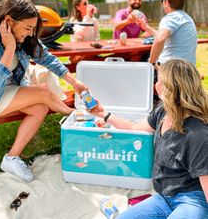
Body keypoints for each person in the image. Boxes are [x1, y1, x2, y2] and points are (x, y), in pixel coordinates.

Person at [0, 0, 88, 182]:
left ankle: (11, 158)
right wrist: (9, 48)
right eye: (27, 28)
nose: (29, 33)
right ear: (8, 21)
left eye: (32, 29)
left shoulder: (22, 35)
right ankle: (74, 115)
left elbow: (46, 57)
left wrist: (74, 82)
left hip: (7, 91)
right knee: (43, 92)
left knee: (40, 108)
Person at [89, 59, 208, 218]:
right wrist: (104, 115)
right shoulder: (163, 112)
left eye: (158, 80)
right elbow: (133, 127)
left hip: (192, 200)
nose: (155, 85)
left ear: (169, 88)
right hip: (163, 197)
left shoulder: (197, 134)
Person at [137, 0, 197, 66]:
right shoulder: (187, 18)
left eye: (162, 1)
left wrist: (151, 63)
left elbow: (160, 39)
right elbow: (163, 35)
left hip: (172, 69)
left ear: (167, 2)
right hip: (188, 67)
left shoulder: (170, 18)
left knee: (141, 66)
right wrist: (146, 28)